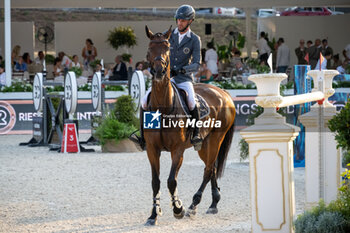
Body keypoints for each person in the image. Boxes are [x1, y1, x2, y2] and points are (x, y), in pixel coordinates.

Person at [137, 4, 201, 151]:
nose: (180, 23)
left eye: (183, 21)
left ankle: (195, 135)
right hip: (166, 78)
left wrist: (184, 69)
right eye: (178, 20)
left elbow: (197, 64)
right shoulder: (169, 37)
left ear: (190, 21)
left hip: (184, 79)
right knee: (145, 101)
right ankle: (143, 136)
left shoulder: (194, 39)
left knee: (191, 102)